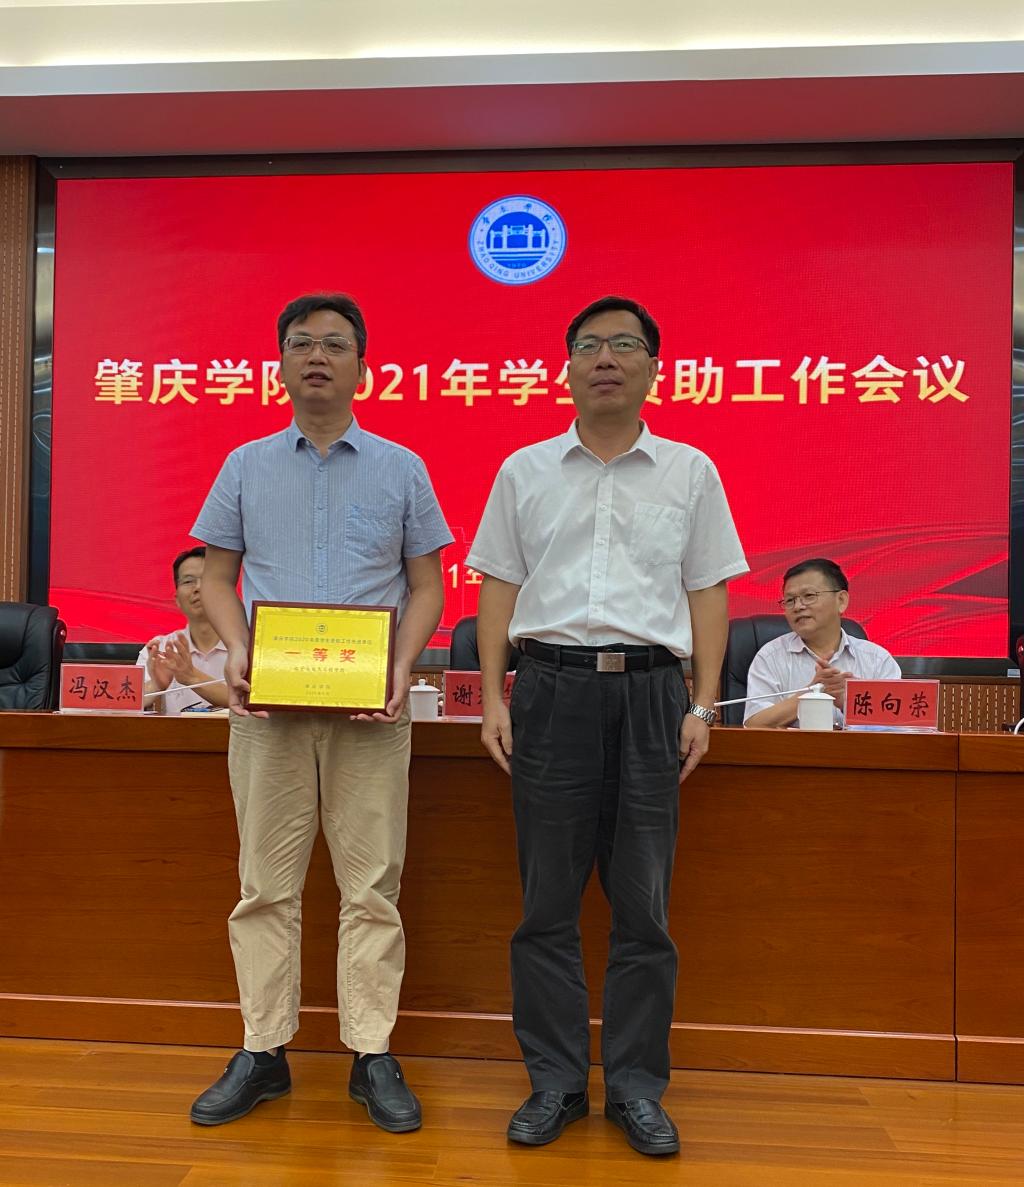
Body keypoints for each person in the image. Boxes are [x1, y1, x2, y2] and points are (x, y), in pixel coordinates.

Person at [467, 296, 748, 1157]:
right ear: (566, 368)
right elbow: (499, 586)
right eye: (588, 345)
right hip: (549, 691)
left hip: (654, 697)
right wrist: (493, 698)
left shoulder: (690, 472)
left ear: (654, 367)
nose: (605, 358)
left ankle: (635, 1087)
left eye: (625, 344)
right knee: (545, 905)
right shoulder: (524, 469)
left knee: (644, 908)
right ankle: (554, 1082)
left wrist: (702, 704)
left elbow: (707, 591)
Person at [188, 293, 452, 1132]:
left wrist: (400, 664)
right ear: (280, 364)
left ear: (362, 366)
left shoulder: (402, 467)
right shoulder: (244, 464)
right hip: (267, 708)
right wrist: (237, 647)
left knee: (371, 884)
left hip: (370, 709)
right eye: (301, 343)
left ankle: (371, 1052)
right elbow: (218, 578)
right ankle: (263, 1050)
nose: (317, 356)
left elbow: (427, 586)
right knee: (264, 884)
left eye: (335, 344)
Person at [743, 557, 901, 728]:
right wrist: (811, 693)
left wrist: (850, 703)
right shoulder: (770, 657)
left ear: (841, 600)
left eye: (809, 596)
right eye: (790, 600)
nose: (798, 606)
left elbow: (898, 727)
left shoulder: (877, 660)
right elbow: (754, 724)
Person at [137, 546, 229, 713]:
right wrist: (155, 685)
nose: (198, 588)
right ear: (177, 599)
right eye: (188, 581)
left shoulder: (249, 647)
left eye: (207, 579)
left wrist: (191, 676)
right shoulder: (159, 649)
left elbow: (257, 704)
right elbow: (124, 703)